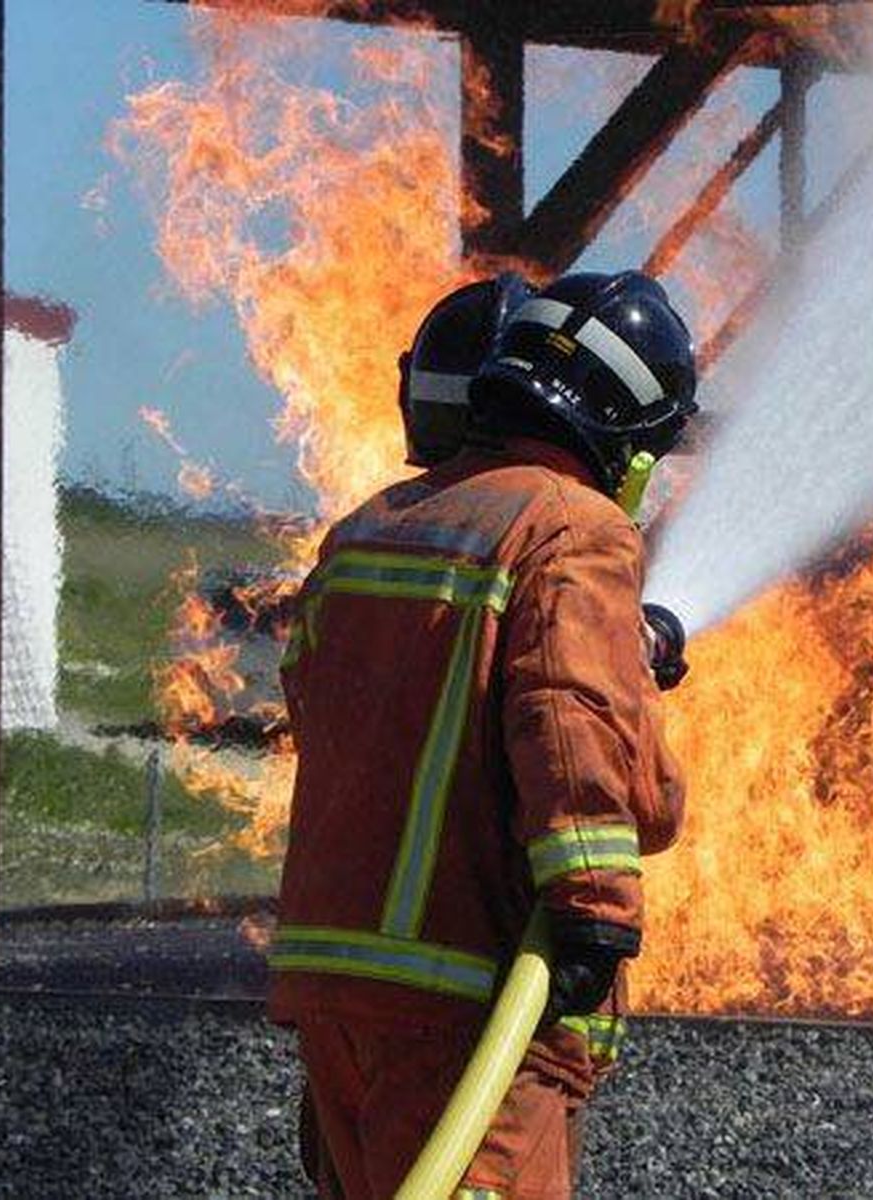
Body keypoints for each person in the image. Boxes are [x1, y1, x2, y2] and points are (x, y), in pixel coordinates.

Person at [268, 269, 698, 1199]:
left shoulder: (365, 530)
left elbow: (337, 708)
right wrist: (594, 907)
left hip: (333, 979)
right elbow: (565, 713)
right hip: (469, 991)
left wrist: (621, 655)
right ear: (624, 442)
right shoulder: (571, 528)